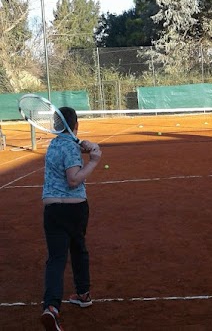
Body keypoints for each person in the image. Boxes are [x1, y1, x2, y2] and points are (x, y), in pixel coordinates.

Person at [40, 107, 102, 331]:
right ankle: (83, 293)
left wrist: (85, 146)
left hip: (53, 210)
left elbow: (70, 148)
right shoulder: (70, 147)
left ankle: (52, 308)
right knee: (79, 249)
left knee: (56, 259)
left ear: (57, 126)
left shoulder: (53, 145)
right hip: (75, 209)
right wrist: (94, 161)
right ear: (75, 125)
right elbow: (74, 180)